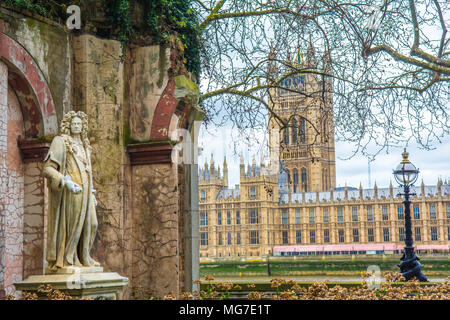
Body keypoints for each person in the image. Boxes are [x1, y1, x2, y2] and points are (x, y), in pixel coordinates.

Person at [43, 111, 100, 270]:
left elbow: (87, 171)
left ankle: (85, 256)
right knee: (73, 226)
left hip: (86, 193)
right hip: (71, 192)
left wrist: (92, 193)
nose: (76, 126)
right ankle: (69, 259)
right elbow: (47, 169)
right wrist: (65, 182)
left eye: (79, 124)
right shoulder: (60, 142)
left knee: (93, 224)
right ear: (68, 125)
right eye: (73, 123)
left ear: (83, 127)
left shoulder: (85, 146)